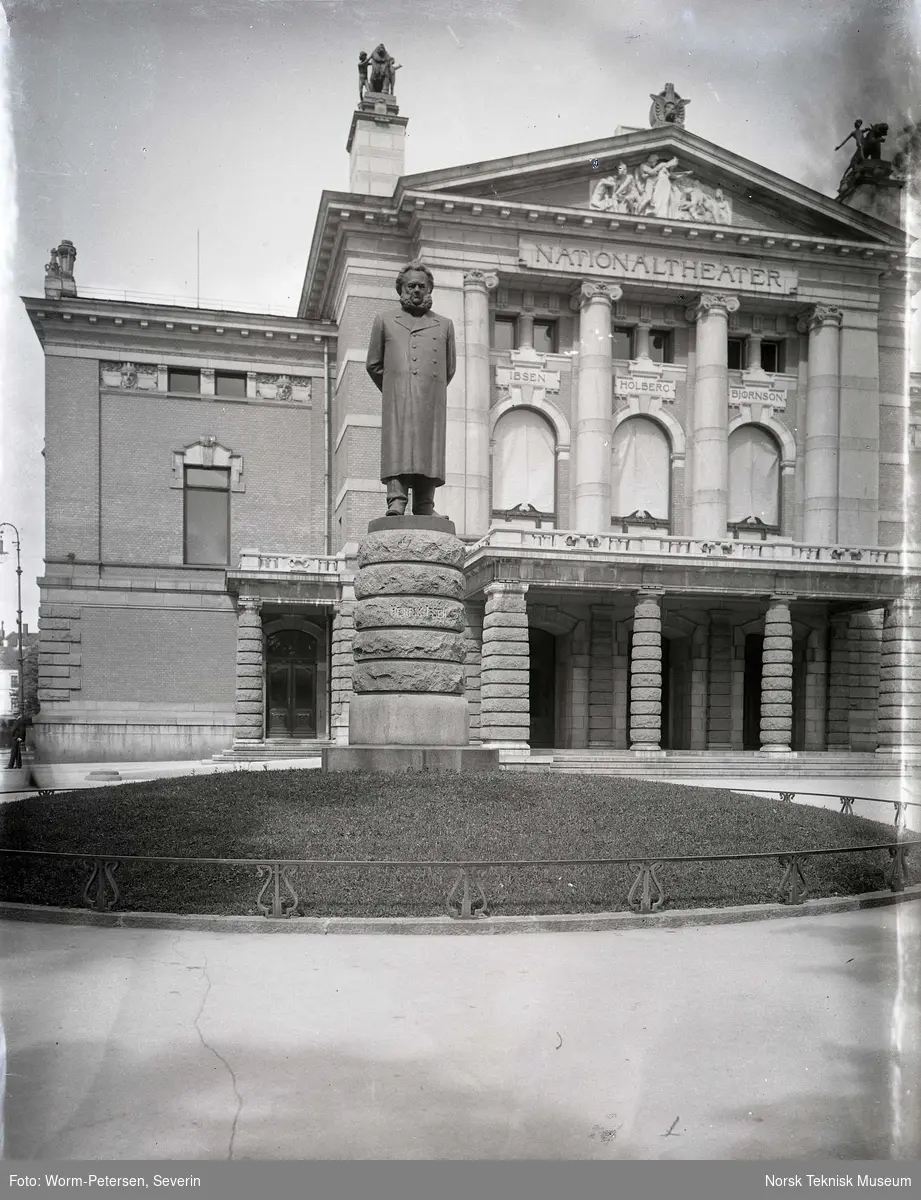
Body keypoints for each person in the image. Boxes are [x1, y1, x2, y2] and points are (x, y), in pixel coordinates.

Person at [366, 264, 457, 518]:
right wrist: (395, 388)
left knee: (430, 449)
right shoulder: (384, 320)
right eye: (411, 286)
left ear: (429, 289)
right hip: (398, 399)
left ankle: (425, 504)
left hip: (431, 399)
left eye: (422, 286)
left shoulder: (444, 325)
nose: (417, 290)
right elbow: (373, 363)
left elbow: (450, 368)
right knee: (398, 447)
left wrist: (428, 390)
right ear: (401, 289)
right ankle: (396, 501)